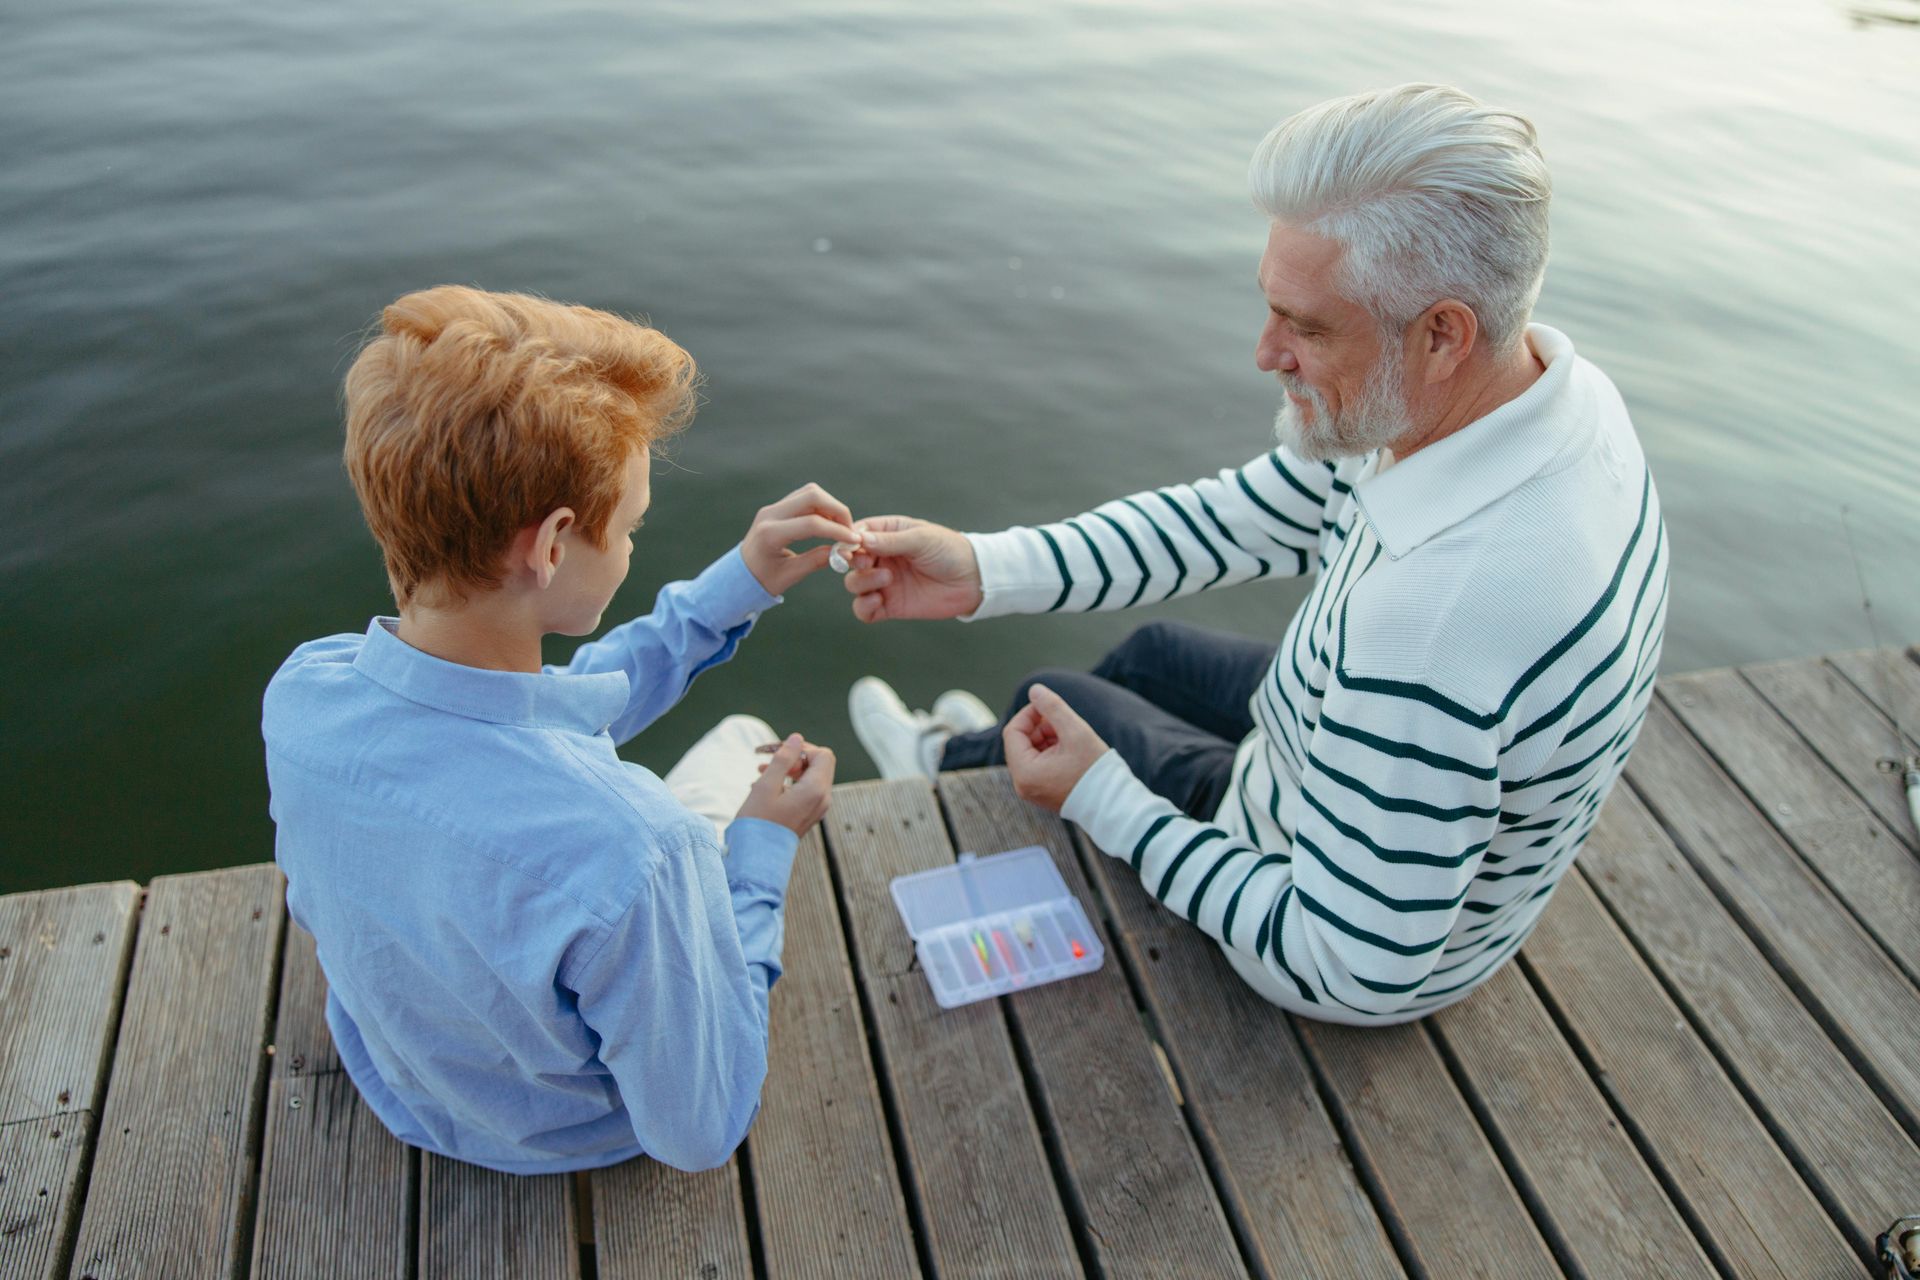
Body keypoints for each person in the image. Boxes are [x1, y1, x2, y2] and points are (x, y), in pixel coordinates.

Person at [841, 84, 1669, 1026]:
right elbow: (1254, 515)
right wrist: (987, 570)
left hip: (1322, 918)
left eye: (1307, 327)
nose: (1265, 351)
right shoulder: (1544, 399)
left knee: (1060, 696)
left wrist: (1104, 799)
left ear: (1443, 334)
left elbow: (1352, 967)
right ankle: (986, 751)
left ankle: (951, 757)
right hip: (1367, 769)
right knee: (1150, 653)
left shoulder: (1433, 629)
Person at [262, 286, 854, 1173]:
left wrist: (739, 583)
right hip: (557, 1137)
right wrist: (762, 847)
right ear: (551, 545)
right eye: (631, 528)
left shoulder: (305, 690)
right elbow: (697, 1132)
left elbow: (553, 709)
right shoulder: (638, 851)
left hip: (403, 1080)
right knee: (743, 740)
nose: (631, 550)